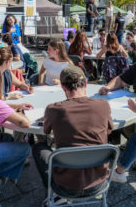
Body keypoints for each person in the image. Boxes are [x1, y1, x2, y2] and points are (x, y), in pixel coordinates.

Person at [32, 66, 113, 196]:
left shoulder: (53, 109)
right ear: (85, 83)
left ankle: (53, 194)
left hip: (65, 187)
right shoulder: (103, 105)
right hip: (99, 183)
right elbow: (108, 132)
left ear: (63, 87)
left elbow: (45, 132)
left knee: (38, 148)